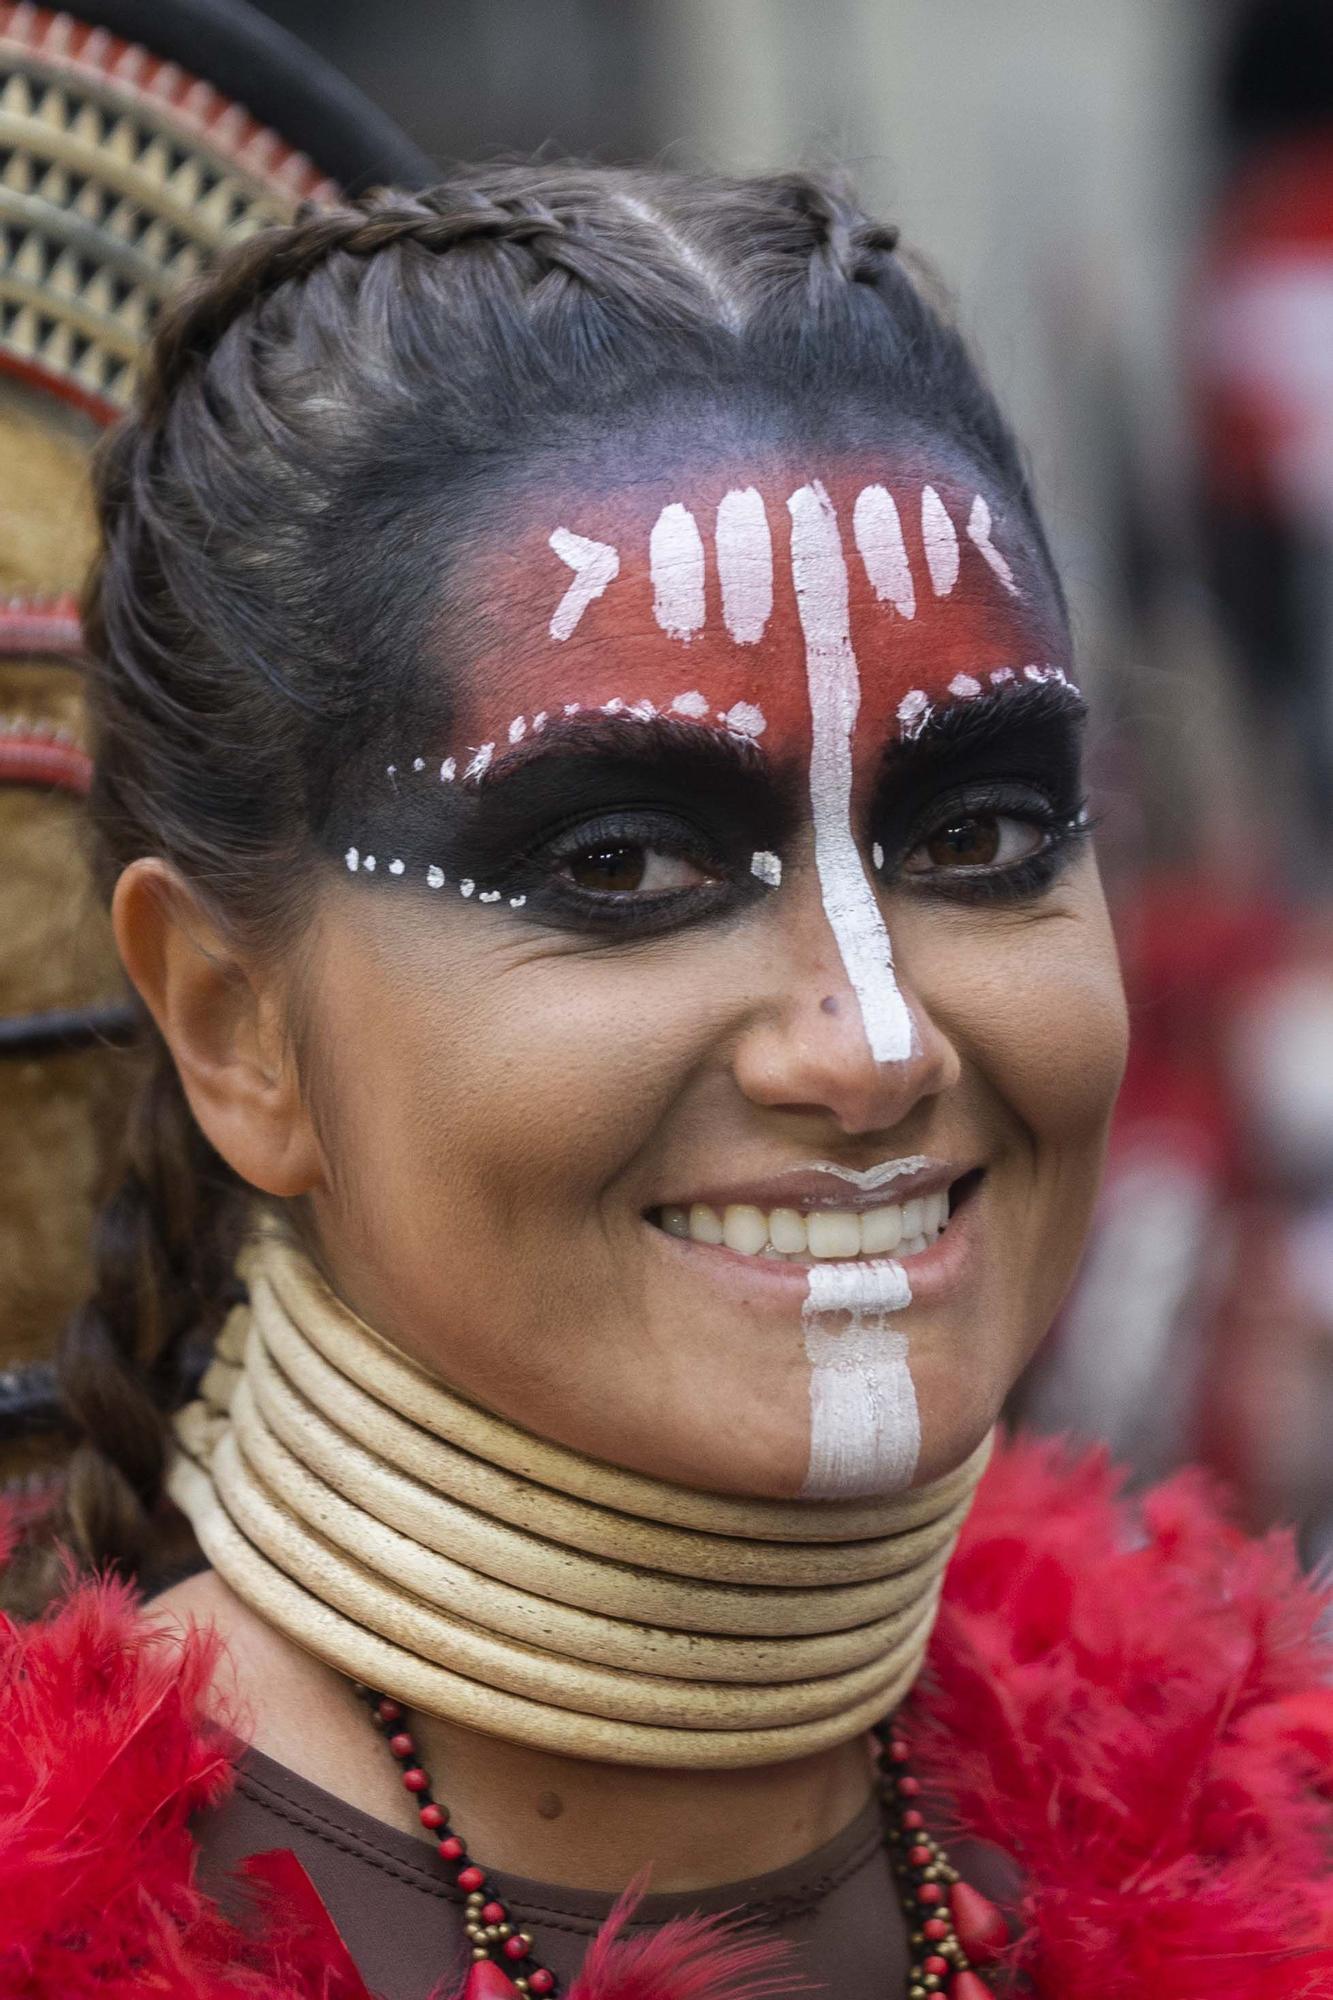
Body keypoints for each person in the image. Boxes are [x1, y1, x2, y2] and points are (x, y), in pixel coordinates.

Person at [5, 165, 1331, 2000]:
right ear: (236, 1028)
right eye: (623, 864)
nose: (874, 1047)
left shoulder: (1244, 1832)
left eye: (983, 829)